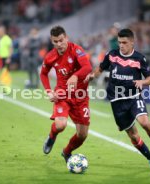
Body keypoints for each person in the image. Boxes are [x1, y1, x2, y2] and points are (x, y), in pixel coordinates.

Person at [85, 29, 150, 170]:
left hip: (133, 97)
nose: (121, 45)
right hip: (116, 101)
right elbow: (100, 69)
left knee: (144, 122)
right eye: (119, 42)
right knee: (133, 135)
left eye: (124, 42)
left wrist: (142, 82)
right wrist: (91, 75)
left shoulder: (139, 59)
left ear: (132, 42)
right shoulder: (112, 55)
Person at [40, 26, 92, 162]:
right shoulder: (50, 56)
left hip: (80, 96)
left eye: (61, 40)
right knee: (60, 125)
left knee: (82, 135)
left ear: (66, 38)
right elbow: (43, 74)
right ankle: (52, 136)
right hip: (62, 95)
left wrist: (75, 76)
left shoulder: (76, 50)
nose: (59, 44)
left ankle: (67, 151)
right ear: (52, 41)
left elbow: (87, 67)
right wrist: (49, 91)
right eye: (55, 41)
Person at [0, 25, 13, 93]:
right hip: (1, 58)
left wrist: (9, 58)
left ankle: (7, 89)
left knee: (6, 73)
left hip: (6, 58)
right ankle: (4, 88)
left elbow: (10, 49)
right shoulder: (1, 39)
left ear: (2, 31)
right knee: (3, 73)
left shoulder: (7, 39)